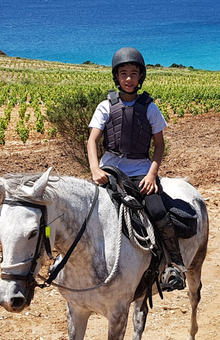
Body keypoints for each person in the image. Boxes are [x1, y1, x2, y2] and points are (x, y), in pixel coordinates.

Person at [87, 47, 187, 291]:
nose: (129, 79)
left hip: (141, 170)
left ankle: (175, 265)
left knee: (158, 211)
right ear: (116, 77)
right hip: (109, 169)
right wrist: (94, 169)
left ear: (141, 77)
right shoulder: (105, 106)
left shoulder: (150, 108)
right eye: (124, 74)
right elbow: (92, 141)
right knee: (83, 210)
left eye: (134, 73)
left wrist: (152, 174)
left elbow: (159, 145)